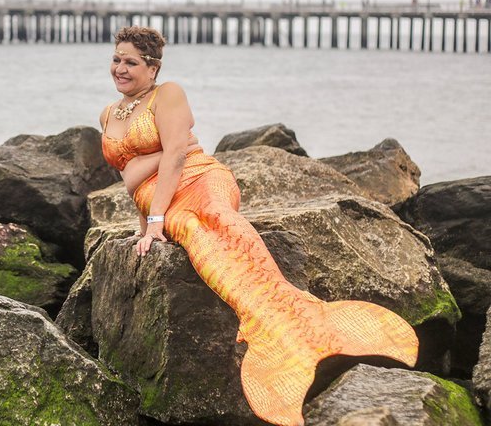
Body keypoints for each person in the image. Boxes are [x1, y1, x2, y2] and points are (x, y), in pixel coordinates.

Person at [99, 26, 419, 426]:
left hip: (200, 179)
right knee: (197, 238)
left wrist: (155, 211)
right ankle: (272, 336)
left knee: (221, 220)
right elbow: (133, 177)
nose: (120, 68)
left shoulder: (169, 94)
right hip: (159, 200)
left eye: (131, 61)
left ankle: (307, 319)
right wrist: (145, 225)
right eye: (116, 59)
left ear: (153, 67)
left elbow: (179, 155)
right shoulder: (108, 114)